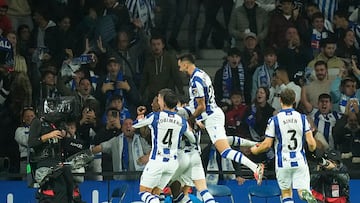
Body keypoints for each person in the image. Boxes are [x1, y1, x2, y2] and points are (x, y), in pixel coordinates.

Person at [177, 53, 265, 185]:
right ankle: (254, 144)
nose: (179, 69)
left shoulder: (195, 81)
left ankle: (254, 167)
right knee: (220, 141)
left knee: (224, 151)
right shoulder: (202, 74)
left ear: (185, 64)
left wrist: (192, 118)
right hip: (213, 113)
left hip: (211, 117)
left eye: (180, 66)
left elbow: (201, 106)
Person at [133, 88, 204, 203]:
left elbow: (136, 125)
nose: (158, 101)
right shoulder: (181, 120)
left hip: (157, 161)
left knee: (144, 192)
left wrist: (140, 116)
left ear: (163, 102)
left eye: (159, 98)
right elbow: (192, 138)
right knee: (157, 192)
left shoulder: (155, 116)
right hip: (172, 164)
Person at [250, 88, 317, 203]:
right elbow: (311, 143)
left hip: (283, 162)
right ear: (294, 101)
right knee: (302, 190)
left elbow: (266, 145)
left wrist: (254, 150)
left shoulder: (274, 120)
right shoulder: (302, 118)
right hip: (300, 161)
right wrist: (311, 149)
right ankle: (306, 194)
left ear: (280, 100)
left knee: (286, 193)